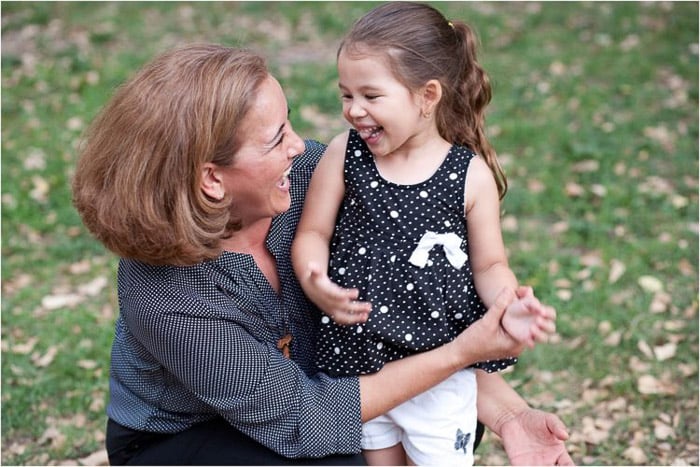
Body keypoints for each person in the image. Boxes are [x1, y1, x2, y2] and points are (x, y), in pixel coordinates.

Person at [72, 43, 572, 465]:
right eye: (276, 139)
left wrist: (508, 416)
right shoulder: (166, 293)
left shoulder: (315, 178)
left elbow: (408, 313)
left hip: (316, 391)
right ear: (211, 179)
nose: (298, 145)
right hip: (183, 440)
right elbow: (300, 421)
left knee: (437, 423)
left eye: (289, 124)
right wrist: (462, 353)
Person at [292, 3, 558, 465]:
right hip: (358, 363)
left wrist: (508, 304)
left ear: (427, 95)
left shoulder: (468, 176)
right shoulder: (343, 155)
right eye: (345, 95)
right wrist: (316, 280)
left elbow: (490, 264)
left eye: (371, 96)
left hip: (440, 366)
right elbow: (313, 232)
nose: (354, 110)